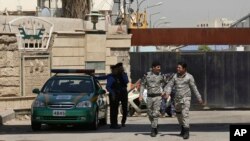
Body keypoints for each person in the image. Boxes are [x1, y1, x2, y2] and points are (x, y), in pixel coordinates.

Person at [164, 62, 203, 139]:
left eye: (179, 67)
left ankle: (186, 131)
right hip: (177, 99)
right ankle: (182, 127)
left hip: (186, 98)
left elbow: (194, 88)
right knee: (179, 115)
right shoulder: (175, 76)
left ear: (184, 69)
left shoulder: (189, 77)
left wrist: (199, 98)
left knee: (185, 114)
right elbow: (170, 85)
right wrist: (167, 93)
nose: (177, 69)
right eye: (177, 67)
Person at [139, 61, 167, 137]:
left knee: (155, 113)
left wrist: (164, 91)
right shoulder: (146, 75)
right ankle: (155, 125)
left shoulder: (162, 76)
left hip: (157, 97)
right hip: (149, 97)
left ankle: (153, 129)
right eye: (158, 67)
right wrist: (140, 95)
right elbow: (142, 85)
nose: (159, 68)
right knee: (149, 113)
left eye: (160, 67)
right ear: (153, 68)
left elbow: (166, 84)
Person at [115, 62, 129, 127]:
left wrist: (123, 74)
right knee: (115, 107)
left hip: (123, 92)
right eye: (120, 67)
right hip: (117, 92)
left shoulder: (124, 74)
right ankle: (115, 122)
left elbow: (127, 81)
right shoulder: (115, 75)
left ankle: (123, 122)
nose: (121, 68)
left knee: (125, 108)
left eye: (121, 67)